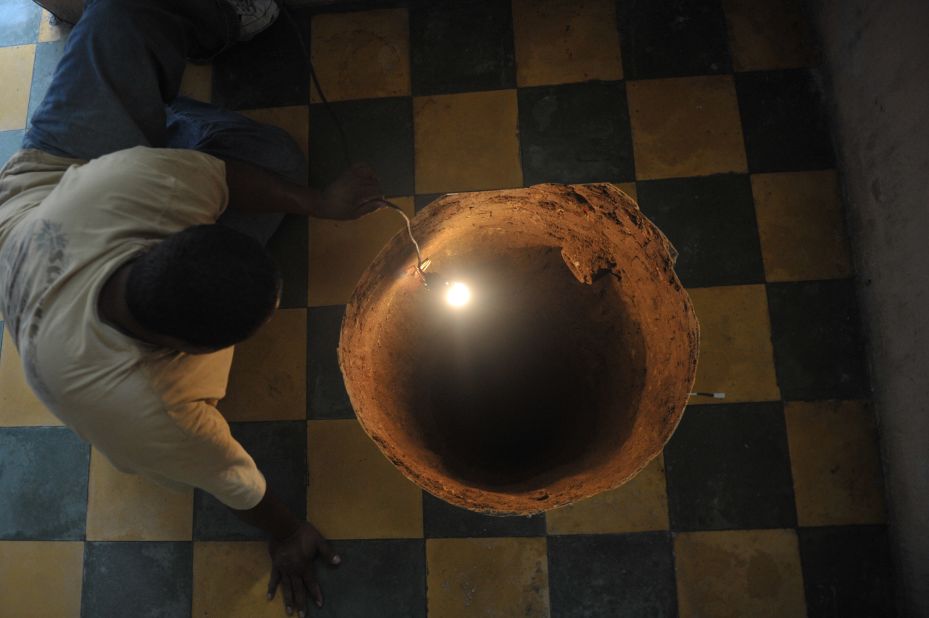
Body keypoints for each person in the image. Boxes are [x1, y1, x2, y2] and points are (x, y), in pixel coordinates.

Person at [0, 0, 384, 615]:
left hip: (46, 186)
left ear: (170, 236)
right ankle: (156, 119)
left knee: (119, 16)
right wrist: (286, 531)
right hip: (65, 213)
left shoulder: (120, 189)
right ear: (190, 351)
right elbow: (234, 480)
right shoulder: (151, 412)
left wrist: (319, 203)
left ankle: (163, 99)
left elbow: (223, 184)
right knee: (276, 157)